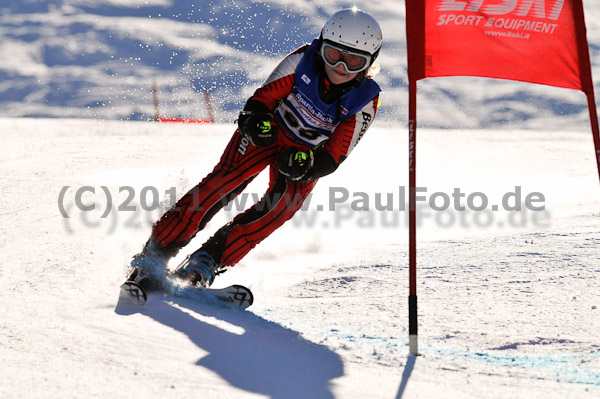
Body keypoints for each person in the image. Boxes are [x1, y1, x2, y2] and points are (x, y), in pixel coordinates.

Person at [126, 8, 383, 290]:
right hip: (268, 134)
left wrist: (307, 164)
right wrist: (257, 123)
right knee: (223, 183)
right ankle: (157, 250)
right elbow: (259, 102)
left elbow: (334, 156)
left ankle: (207, 260)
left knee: (282, 207)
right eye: (334, 55)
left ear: (369, 64)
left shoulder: (365, 101)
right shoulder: (302, 61)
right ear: (322, 46)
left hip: (303, 154)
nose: (341, 68)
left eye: (354, 61)